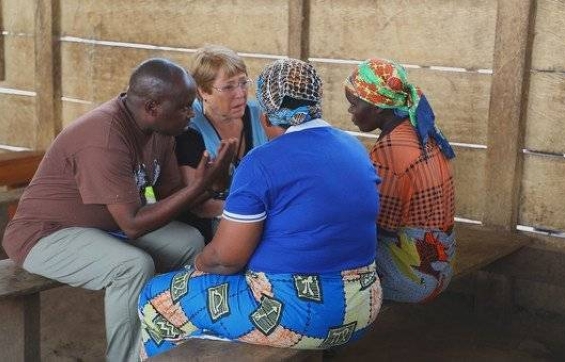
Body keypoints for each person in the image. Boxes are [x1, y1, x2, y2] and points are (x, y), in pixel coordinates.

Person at [138, 58, 383, 360]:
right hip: (363, 306)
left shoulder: (262, 161)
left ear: (265, 118)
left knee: (156, 298)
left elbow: (225, 260)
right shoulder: (353, 147)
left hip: (299, 314)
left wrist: (196, 266)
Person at [2, 58, 235, 362]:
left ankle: (172, 339)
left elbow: (167, 196)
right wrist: (197, 188)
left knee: (189, 241)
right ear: (153, 107)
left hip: (104, 226)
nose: (192, 114)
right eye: (184, 108)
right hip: (45, 234)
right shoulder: (105, 137)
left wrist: (210, 183)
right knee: (131, 266)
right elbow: (133, 225)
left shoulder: (161, 133)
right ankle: (125, 357)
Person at [344, 58, 457, 303]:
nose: (350, 111)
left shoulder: (389, 151)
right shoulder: (421, 131)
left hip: (413, 279)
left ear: (377, 107)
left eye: (354, 104)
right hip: (442, 267)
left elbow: (379, 225)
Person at [175, 45, 268, 242]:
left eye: (243, 83)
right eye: (229, 86)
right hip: (216, 222)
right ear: (203, 91)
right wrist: (253, 211)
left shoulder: (261, 115)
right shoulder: (189, 129)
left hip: (260, 211)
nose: (240, 93)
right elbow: (199, 206)